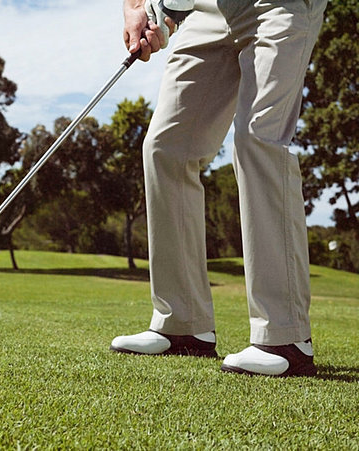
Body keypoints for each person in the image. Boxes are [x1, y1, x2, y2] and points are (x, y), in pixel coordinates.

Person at [110, 0, 327, 377]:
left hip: (280, 4)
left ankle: (285, 335)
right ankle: (183, 324)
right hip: (209, 9)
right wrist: (137, 7)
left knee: (259, 138)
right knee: (166, 148)